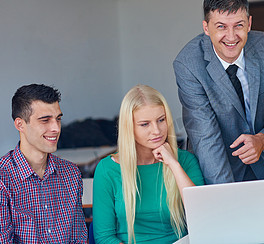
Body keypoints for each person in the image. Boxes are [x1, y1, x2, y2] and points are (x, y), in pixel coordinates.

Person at [173, 0, 264, 184]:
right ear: (206, 28)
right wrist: (225, 196)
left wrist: (263, 139)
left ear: (249, 23)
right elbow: (206, 138)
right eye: (221, 27)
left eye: (238, 25)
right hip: (218, 168)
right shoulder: (188, 64)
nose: (231, 36)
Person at [93, 85, 204, 244]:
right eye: (145, 124)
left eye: (161, 120)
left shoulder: (186, 161)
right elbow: (104, 237)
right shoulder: (107, 169)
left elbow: (201, 216)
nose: (157, 131)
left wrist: (173, 164)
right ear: (129, 127)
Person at [0, 84, 87, 243]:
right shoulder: (3, 179)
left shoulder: (71, 173)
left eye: (58, 119)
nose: (56, 128)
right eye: (45, 120)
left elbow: (78, 238)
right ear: (20, 125)